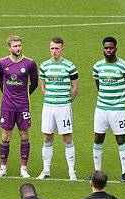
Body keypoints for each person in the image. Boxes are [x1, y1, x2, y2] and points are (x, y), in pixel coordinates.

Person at [0, 36, 38, 179]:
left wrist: (25, 95)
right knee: (5, 135)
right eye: (15, 46)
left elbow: (35, 83)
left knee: (24, 135)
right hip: (7, 105)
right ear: (9, 48)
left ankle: (24, 168)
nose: (18, 48)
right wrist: (6, 94)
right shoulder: (2, 63)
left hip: (22, 105)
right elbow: (0, 80)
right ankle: (3, 168)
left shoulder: (30, 63)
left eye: (19, 45)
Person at [91, 36, 125, 183]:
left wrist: (118, 100)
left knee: (121, 138)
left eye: (111, 48)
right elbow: (98, 85)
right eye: (106, 48)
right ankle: (96, 171)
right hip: (101, 109)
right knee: (98, 138)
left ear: (116, 48)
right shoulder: (97, 66)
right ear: (103, 49)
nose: (108, 50)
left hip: (118, 110)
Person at [36, 37, 79, 181]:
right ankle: (46, 170)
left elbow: (75, 87)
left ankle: (72, 171)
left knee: (67, 138)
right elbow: (42, 86)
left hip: (63, 107)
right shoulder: (44, 66)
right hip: (48, 107)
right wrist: (49, 97)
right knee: (47, 137)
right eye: (52, 48)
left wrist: (67, 101)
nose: (54, 51)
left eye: (57, 49)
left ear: (62, 49)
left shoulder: (69, 66)